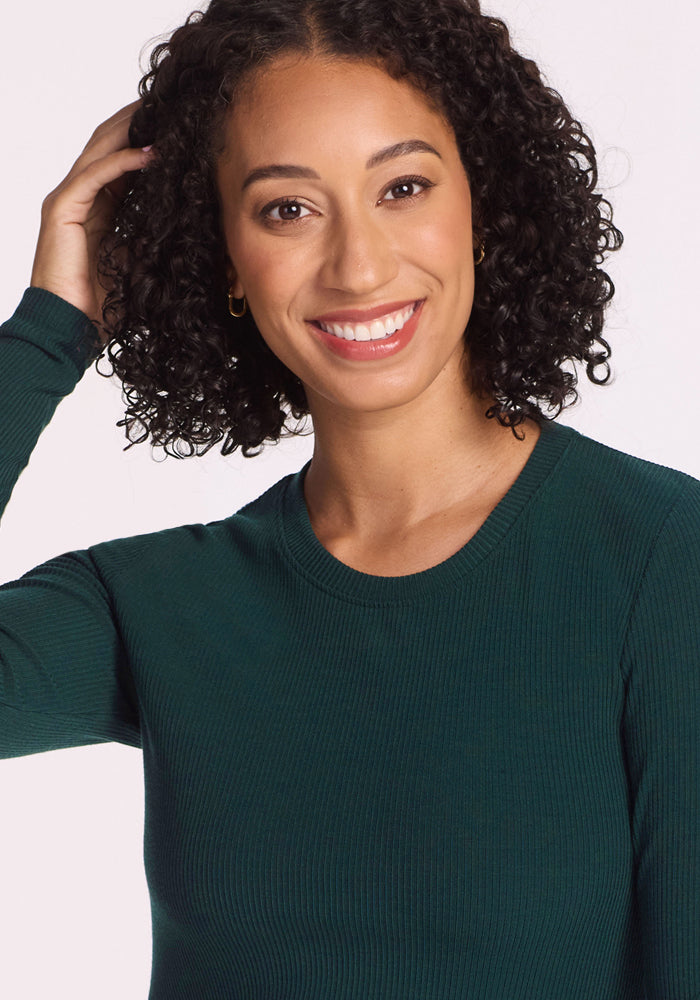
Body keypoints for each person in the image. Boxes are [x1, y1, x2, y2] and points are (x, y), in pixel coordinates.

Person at [1, 0, 699, 996]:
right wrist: (49, 327)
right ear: (222, 255)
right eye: (287, 207)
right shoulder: (161, 605)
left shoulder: (659, 560)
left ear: (482, 205)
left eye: (402, 186)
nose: (359, 265)